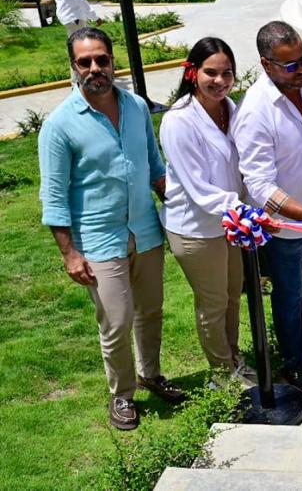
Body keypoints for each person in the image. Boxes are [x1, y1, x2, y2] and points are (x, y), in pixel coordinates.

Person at [38, 27, 184, 431]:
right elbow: (53, 196)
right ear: (73, 66)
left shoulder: (136, 107)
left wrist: (183, 205)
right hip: (99, 240)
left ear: (112, 60)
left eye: (101, 59)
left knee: (151, 311)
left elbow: (154, 165)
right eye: (85, 62)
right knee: (117, 322)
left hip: (146, 231)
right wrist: (69, 253)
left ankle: (151, 374)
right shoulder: (59, 125)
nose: (95, 68)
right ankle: (122, 394)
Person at [232, 21, 302, 393]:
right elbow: (260, 186)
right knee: (290, 294)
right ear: (266, 65)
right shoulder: (255, 112)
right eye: (291, 64)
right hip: (287, 226)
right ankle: (293, 363)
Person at [160, 38, 257, 388]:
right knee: (214, 302)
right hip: (196, 229)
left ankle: (233, 358)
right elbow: (199, 189)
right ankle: (221, 375)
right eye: (210, 73)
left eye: (227, 73)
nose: (220, 81)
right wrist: (245, 211)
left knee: (232, 296)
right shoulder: (178, 121)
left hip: (230, 224)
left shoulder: (231, 108)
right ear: (192, 73)